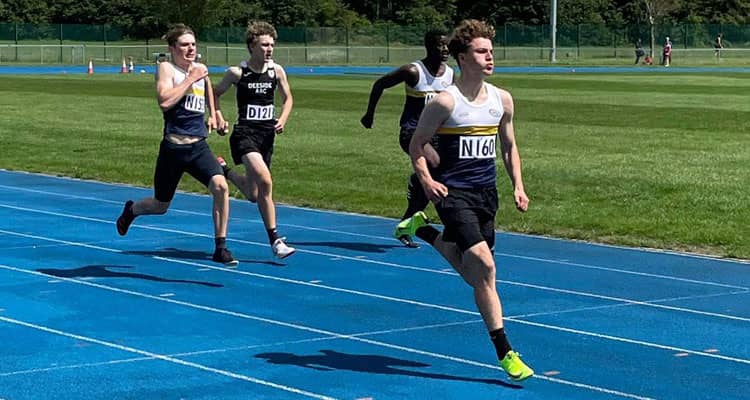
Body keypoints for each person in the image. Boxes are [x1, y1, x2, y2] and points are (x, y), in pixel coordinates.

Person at [396, 19, 534, 382]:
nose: (490, 57)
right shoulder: (445, 101)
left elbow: (509, 146)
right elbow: (416, 144)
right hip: (451, 192)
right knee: (485, 267)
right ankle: (505, 352)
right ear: (462, 57)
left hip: (485, 193)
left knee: (475, 274)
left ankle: (423, 229)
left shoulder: (502, 99)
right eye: (482, 51)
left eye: (491, 51)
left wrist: (518, 185)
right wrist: (427, 180)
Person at [116, 24, 237, 266]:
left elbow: (209, 91)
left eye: (193, 44)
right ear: (172, 48)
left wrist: (215, 115)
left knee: (221, 187)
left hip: (198, 147)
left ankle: (220, 247)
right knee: (161, 206)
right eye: (184, 45)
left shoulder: (200, 69)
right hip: (173, 149)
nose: (190, 49)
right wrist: (190, 79)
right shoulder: (166, 69)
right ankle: (132, 210)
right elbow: (165, 101)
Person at [361, 29, 454, 248]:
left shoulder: (450, 74)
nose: (446, 49)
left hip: (436, 136)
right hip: (411, 133)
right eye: (441, 45)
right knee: (435, 166)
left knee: (438, 176)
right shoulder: (413, 71)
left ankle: (406, 223)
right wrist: (369, 113)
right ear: (429, 46)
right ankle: (418, 182)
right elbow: (380, 84)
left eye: (448, 45)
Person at [212, 21, 296, 259]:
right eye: (264, 45)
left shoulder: (276, 71)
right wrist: (218, 116)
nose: (269, 49)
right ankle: (275, 240)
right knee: (265, 180)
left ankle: (225, 171)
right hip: (244, 134)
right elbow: (215, 93)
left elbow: (288, 99)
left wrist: (283, 118)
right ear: (252, 46)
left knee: (253, 194)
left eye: (272, 45)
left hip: (267, 136)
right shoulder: (237, 73)